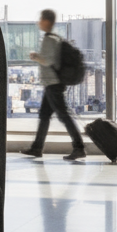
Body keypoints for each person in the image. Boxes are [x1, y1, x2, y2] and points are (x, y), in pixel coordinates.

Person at [21, 9, 86, 162]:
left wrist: (35, 56)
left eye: (41, 19)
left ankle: (79, 147)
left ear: (47, 21)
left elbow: (48, 61)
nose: (39, 22)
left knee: (64, 116)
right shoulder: (55, 38)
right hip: (52, 83)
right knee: (44, 115)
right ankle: (37, 148)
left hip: (53, 84)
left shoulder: (49, 39)